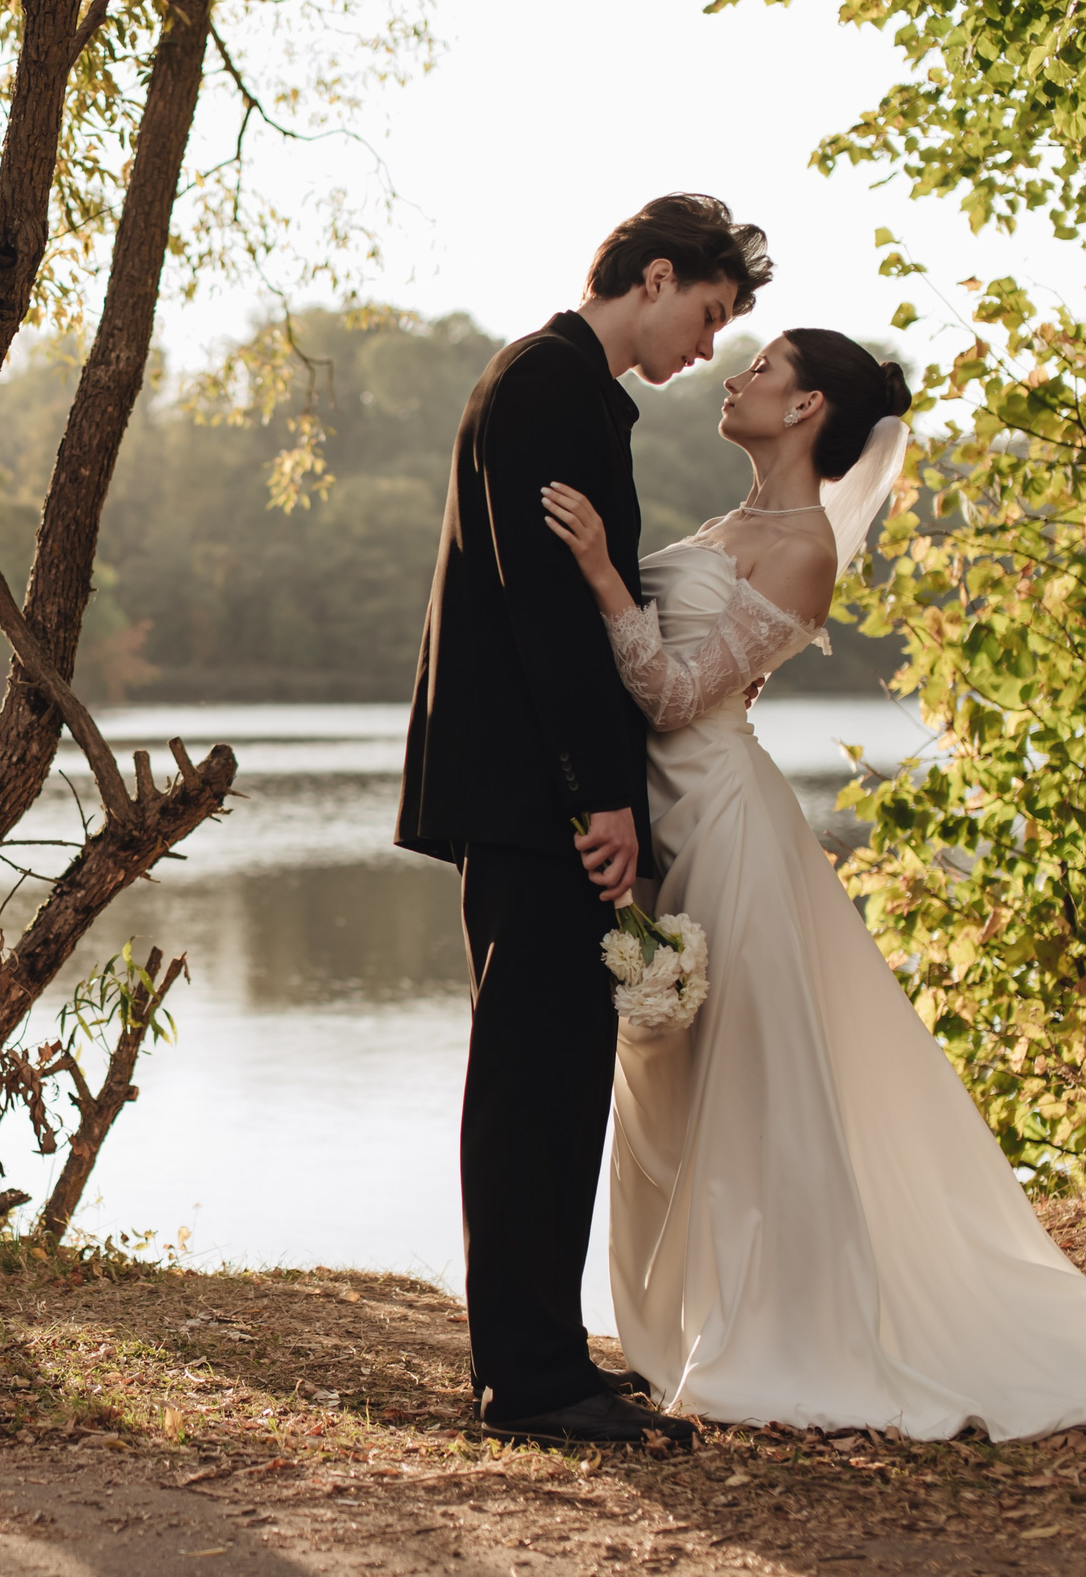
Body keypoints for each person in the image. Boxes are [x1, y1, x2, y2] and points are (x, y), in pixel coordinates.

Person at [539, 331, 1086, 1449]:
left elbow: (680, 693)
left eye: (762, 366)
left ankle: (783, 1326)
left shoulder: (802, 549)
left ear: (806, 407)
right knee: (674, 1085)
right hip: (664, 828)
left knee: (753, 1093)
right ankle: (682, 1326)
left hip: (728, 830)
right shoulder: (724, 525)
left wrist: (600, 572)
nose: (734, 375)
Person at [397, 194, 772, 1449]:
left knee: (559, 1074)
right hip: (529, 794)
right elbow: (544, 615)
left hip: (532, 789)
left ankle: (548, 1356)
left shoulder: (560, 384)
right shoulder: (548, 387)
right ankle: (524, 1377)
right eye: (707, 313)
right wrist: (597, 795)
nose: (707, 346)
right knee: (527, 1077)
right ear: (652, 276)